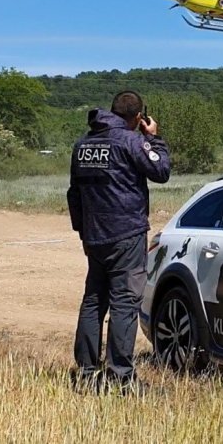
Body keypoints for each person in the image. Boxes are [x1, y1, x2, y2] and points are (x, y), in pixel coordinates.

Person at [67, 90, 171, 394]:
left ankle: (87, 373)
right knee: (125, 303)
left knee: (93, 301)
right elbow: (161, 170)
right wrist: (153, 138)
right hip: (125, 234)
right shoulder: (131, 141)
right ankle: (121, 377)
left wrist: (82, 232)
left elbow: (74, 194)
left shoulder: (83, 145)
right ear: (138, 117)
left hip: (94, 236)